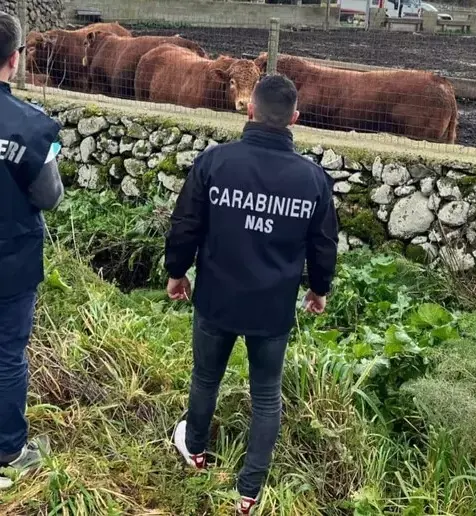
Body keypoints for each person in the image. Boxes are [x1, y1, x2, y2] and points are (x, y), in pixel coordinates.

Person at [165, 74, 338, 514]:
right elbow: (323, 245)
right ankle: (249, 491)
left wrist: (176, 273)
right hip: (272, 308)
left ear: (249, 110)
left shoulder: (214, 163)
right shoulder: (313, 180)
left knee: (206, 378)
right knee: (266, 395)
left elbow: (186, 224)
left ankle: (196, 451)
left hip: (216, 299)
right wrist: (318, 290)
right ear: (295, 119)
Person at [0, 11, 64, 490]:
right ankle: (9, 449)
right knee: (6, 355)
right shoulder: (32, 126)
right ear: (15, 60)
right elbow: (47, 196)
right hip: (10, 261)